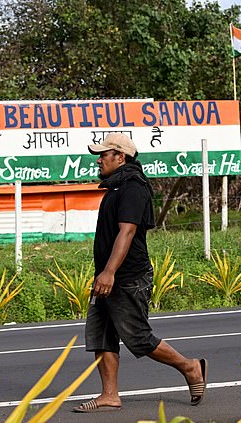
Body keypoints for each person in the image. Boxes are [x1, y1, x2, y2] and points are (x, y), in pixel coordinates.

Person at [73, 133, 208, 413]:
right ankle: (110, 395)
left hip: (127, 276)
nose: (98, 160)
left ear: (120, 157)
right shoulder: (116, 188)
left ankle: (190, 367)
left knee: (138, 337)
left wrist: (109, 272)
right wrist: (104, 272)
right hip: (108, 274)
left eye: (103, 154)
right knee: (101, 335)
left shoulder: (133, 186)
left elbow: (128, 230)